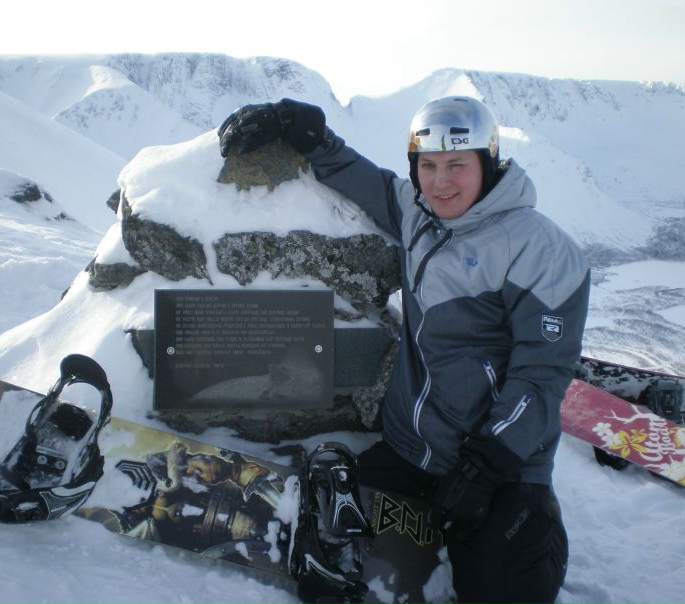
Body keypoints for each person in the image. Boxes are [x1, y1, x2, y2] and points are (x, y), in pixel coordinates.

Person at [218, 96, 590, 603]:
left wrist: (489, 462)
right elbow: (366, 180)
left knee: (504, 592)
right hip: (414, 450)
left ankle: (540, 532)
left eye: (457, 165)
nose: (440, 182)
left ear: (489, 162)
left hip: (499, 466)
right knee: (324, 531)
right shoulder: (419, 214)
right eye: (428, 165)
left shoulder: (542, 251)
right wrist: (307, 133)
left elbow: (542, 373)